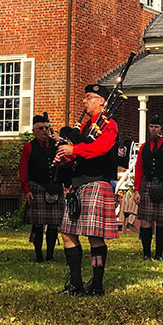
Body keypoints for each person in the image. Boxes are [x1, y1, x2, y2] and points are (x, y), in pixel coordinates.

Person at [52, 84, 120, 296]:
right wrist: (64, 158)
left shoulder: (109, 125)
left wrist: (75, 149)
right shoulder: (82, 129)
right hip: (79, 184)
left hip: (97, 182)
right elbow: (77, 157)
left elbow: (101, 149)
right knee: (67, 232)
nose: (84, 101)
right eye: (85, 97)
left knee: (94, 236)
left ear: (102, 101)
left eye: (89, 97)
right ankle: (75, 284)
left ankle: (97, 286)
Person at [133, 115, 163, 261]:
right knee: (146, 221)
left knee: (161, 221)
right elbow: (139, 168)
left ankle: (159, 254)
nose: (153, 130)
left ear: (162, 129)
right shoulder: (144, 147)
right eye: (151, 127)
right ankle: (146, 253)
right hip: (148, 184)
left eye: (156, 127)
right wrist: (136, 189)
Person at [19, 113, 63, 262]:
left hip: (54, 188)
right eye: (41, 128)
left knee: (52, 224)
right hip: (36, 186)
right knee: (38, 224)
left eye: (46, 128)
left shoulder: (56, 145)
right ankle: (38, 255)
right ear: (34, 130)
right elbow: (23, 170)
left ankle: (50, 256)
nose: (45, 131)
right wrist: (27, 190)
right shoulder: (28, 147)